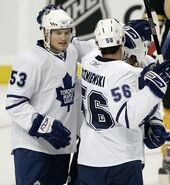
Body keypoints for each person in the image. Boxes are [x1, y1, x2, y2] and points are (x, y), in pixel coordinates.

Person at [77, 18, 170, 185]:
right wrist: (154, 89)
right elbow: (128, 116)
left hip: (87, 157)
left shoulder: (89, 58)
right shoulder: (126, 72)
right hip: (120, 159)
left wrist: (154, 120)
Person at [5, 4, 84, 185]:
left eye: (66, 32)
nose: (63, 37)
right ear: (46, 33)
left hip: (61, 146)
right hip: (32, 147)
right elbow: (14, 103)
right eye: (58, 32)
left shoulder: (71, 52)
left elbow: (97, 49)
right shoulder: (29, 60)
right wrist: (43, 125)